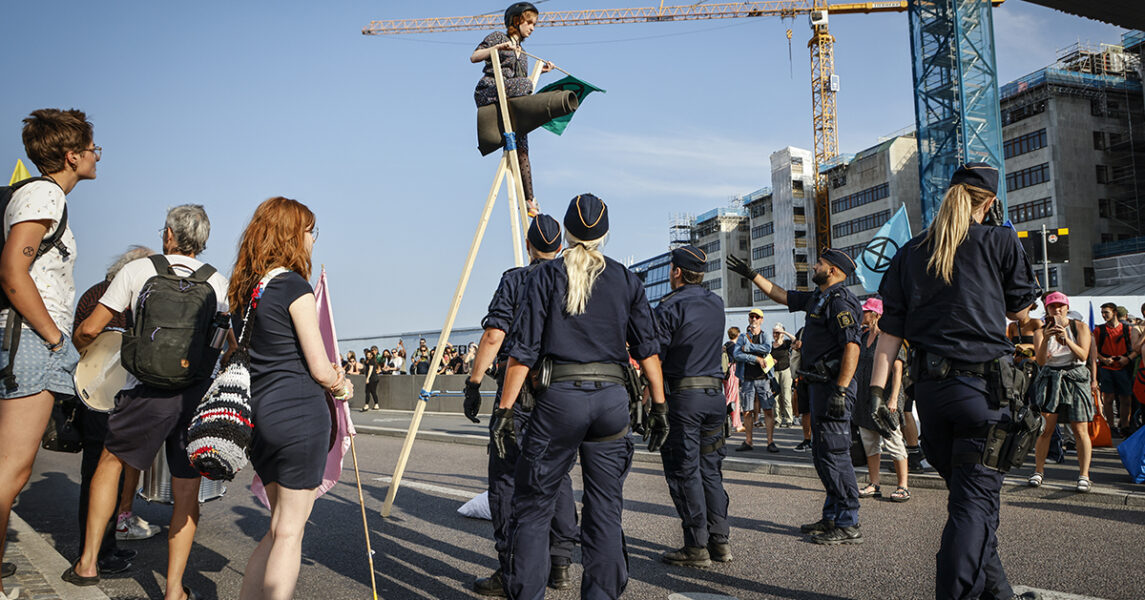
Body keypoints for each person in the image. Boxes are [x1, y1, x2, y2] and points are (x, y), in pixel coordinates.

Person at [868, 163, 1041, 600]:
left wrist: (876, 393)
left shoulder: (910, 251)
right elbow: (1021, 314)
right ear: (990, 202)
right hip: (983, 394)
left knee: (971, 505)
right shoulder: (999, 240)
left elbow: (889, 334)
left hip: (931, 396)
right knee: (973, 506)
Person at [494, 194, 665, 599]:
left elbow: (524, 350)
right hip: (611, 401)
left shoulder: (545, 276)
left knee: (534, 507)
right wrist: (659, 404)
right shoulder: (626, 278)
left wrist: (504, 410)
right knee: (605, 509)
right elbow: (648, 350)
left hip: (559, 401)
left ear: (567, 233)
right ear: (604, 235)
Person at [66, 205, 230, 600]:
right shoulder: (218, 283)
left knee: (110, 463)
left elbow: (89, 328)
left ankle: (88, 563)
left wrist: (91, 356)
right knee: (186, 490)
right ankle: (174, 590)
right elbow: (228, 348)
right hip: (193, 395)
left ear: (169, 236)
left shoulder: (138, 271)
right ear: (203, 240)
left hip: (144, 392)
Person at [230, 197, 350, 600]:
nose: (314, 240)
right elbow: (319, 366)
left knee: (276, 527)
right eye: (310, 232)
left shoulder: (245, 295)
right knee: (290, 532)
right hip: (299, 416)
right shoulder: (294, 287)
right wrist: (340, 384)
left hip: (260, 419)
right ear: (292, 236)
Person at [0, 109, 91, 596]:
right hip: (31, 339)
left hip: (24, 335)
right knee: (10, 470)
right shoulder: (45, 194)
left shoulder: (38, 196)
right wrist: (55, 339)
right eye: (93, 148)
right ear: (72, 155)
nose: (98, 156)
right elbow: (15, 273)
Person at [463, 214, 578, 595]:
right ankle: (560, 562)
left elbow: (495, 334)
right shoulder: (573, 277)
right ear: (561, 246)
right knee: (557, 476)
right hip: (564, 394)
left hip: (521, 390)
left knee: (507, 480)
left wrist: (474, 382)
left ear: (529, 246)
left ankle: (511, 568)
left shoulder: (516, 278)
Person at [727, 247, 863, 545]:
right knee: (822, 453)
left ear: (834, 271)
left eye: (820, 263)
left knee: (836, 454)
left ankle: (848, 521)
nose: (814, 266)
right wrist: (752, 275)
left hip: (832, 387)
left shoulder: (840, 302)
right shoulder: (819, 297)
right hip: (817, 385)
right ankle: (832, 515)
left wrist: (841, 388)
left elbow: (852, 347)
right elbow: (781, 295)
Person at [71, 245, 154, 578]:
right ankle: (97, 553)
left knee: (101, 473)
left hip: (95, 393)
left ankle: (103, 549)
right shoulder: (118, 299)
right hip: (108, 396)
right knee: (101, 474)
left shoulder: (94, 293)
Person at [652, 245, 731, 567]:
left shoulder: (669, 306)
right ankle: (720, 541)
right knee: (711, 470)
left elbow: (654, 355)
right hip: (715, 397)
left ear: (677, 272)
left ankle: (696, 545)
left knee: (685, 471)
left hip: (684, 398)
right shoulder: (716, 303)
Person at [470, 2, 555, 216]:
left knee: (523, 143)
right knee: (526, 86)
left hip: (509, 96)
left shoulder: (523, 53)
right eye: (529, 22)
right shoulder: (498, 37)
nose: (532, 28)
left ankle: (529, 199)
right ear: (517, 21)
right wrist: (497, 49)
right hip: (490, 89)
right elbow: (474, 57)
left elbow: (520, 83)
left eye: (534, 24)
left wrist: (541, 72)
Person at [1029, 292, 1094, 492]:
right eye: (1052, 306)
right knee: (1046, 428)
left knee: (1080, 429)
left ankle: (1084, 475)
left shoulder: (1080, 327)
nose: (1056, 310)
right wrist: (1048, 340)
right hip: (1051, 377)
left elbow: (1084, 354)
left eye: (1060, 306)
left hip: (1076, 376)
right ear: (1047, 309)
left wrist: (1067, 340)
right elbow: (1040, 361)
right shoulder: (1041, 331)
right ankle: (1038, 471)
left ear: (1067, 307)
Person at [851, 298, 911, 502]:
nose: (862, 314)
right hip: (864, 398)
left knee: (893, 441)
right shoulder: (864, 335)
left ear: (875, 314)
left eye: (866, 311)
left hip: (885, 398)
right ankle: (874, 483)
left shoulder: (889, 337)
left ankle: (903, 485)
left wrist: (894, 398)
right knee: (870, 443)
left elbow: (898, 369)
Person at [732, 309, 775, 452]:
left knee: (768, 410)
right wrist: (756, 358)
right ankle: (748, 442)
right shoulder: (742, 337)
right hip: (747, 379)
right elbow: (737, 355)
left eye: (757, 317)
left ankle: (770, 442)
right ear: (749, 319)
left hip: (763, 378)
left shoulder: (766, 335)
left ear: (761, 319)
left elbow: (767, 348)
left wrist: (748, 348)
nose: (754, 319)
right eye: (752, 316)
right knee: (747, 412)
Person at [1094, 302, 1137, 437]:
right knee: (1108, 398)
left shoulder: (1127, 329)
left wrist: (1127, 359)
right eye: (1102, 312)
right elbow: (1093, 350)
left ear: (1115, 312)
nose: (1103, 315)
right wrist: (1103, 359)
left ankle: (1125, 425)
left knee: (1126, 398)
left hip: (1123, 366)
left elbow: (1136, 349)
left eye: (1106, 312)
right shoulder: (1099, 330)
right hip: (1106, 367)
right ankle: (1111, 427)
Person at [772, 323, 796, 427]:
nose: (775, 334)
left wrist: (784, 333)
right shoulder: (771, 345)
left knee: (786, 395)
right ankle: (777, 419)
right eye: (774, 332)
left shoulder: (786, 343)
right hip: (775, 371)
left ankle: (789, 419)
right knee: (776, 396)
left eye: (777, 332)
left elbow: (794, 340)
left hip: (786, 371)